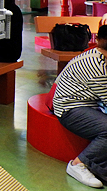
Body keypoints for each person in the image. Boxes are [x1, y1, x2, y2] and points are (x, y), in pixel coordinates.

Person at [53, 24, 107, 188]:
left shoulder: (98, 54)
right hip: (70, 108)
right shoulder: (99, 67)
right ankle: (78, 164)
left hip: (86, 103)